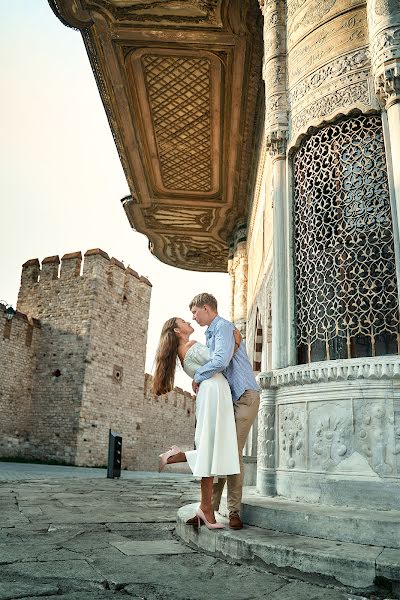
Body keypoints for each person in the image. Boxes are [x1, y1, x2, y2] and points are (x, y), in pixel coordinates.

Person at [153, 317, 241, 530]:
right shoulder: (191, 346)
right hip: (214, 393)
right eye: (184, 321)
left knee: (211, 450)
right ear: (177, 330)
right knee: (211, 449)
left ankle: (204, 508)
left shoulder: (183, 353)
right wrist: (235, 343)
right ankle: (205, 508)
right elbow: (219, 359)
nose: (188, 321)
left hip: (211, 392)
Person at [186, 293, 260, 530]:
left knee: (231, 453)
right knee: (217, 451)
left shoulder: (224, 327)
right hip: (229, 401)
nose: (194, 318)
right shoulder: (211, 334)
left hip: (245, 396)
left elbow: (220, 361)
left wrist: (198, 377)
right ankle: (209, 509)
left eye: (195, 313)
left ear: (206, 308)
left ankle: (233, 511)